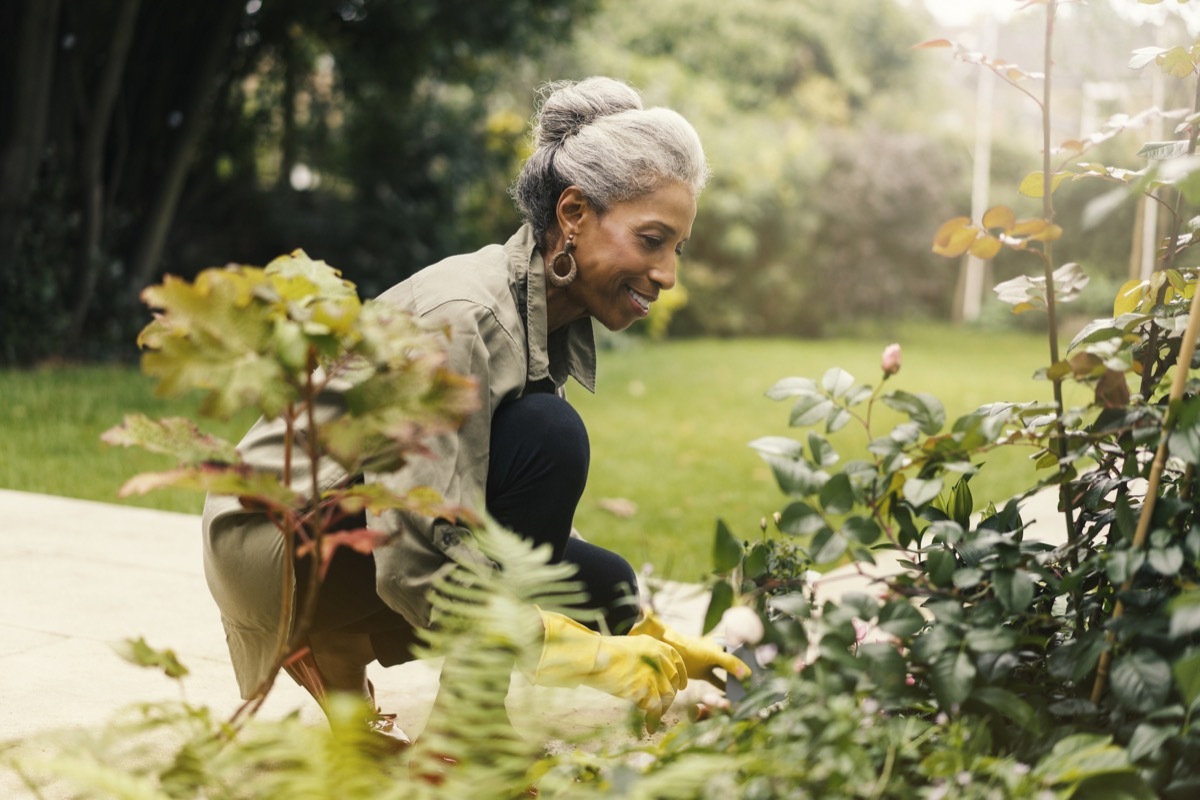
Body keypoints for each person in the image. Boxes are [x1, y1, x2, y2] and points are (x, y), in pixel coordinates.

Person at [201, 76, 748, 746]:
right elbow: (411, 555)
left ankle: (336, 650)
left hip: (347, 524)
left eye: (678, 249)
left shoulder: (542, 313)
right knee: (551, 436)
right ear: (573, 214)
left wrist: (643, 637)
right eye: (653, 240)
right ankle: (463, 727)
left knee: (607, 585)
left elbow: (503, 517)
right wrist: (579, 653)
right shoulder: (465, 317)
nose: (667, 274)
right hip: (274, 543)